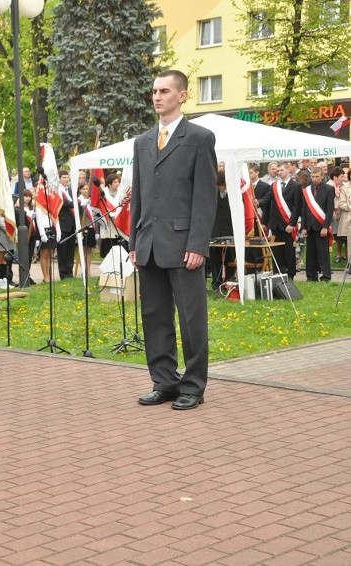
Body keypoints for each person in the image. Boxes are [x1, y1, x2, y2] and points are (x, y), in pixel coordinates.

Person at [129, 69, 217, 411]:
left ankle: (193, 386)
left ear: (182, 95)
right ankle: (164, 381)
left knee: (191, 319)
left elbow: (205, 196)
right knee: (155, 317)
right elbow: (140, 195)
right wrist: (135, 239)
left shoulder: (199, 138)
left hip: (184, 246)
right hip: (149, 244)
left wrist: (197, 244)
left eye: (164, 90)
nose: (157, 96)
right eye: (154, 91)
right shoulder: (143, 142)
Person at [267, 161, 302, 280]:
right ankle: (278, 272)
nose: (279, 172)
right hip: (276, 223)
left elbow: (297, 207)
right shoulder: (274, 186)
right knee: (277, 251)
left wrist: (292, 223)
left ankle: (290, 273)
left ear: (288, 170)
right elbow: (268, 199)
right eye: (277, 171)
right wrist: (258, 202)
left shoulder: (296, 186)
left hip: (288, 224)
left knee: (289, 250)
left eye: (281, 170)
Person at [300, 167, 334, 282]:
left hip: (321, 226)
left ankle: (326, 276)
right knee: (310, 253)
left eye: (317, 177)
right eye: (313, 177)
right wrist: (303, 227)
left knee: (323, 252)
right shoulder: (307, 190)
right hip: (309, 226)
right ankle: (311, 276)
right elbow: (303, 209)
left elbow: (330, 210)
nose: (314, 179)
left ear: (322, 176)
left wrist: (325, 226)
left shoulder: (329, 189)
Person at [56, 170, 77, 279]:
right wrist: (77, 203)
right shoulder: (58, 190)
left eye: (67, 177)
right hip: (63, 223)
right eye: (63, 177)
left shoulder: (70, 190)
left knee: (70, 249)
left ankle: (70, 272)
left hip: (71, 223)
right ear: (59, 178)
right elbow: (64, 203)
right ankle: (63, 273)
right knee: (62, 250)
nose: (66, 179)